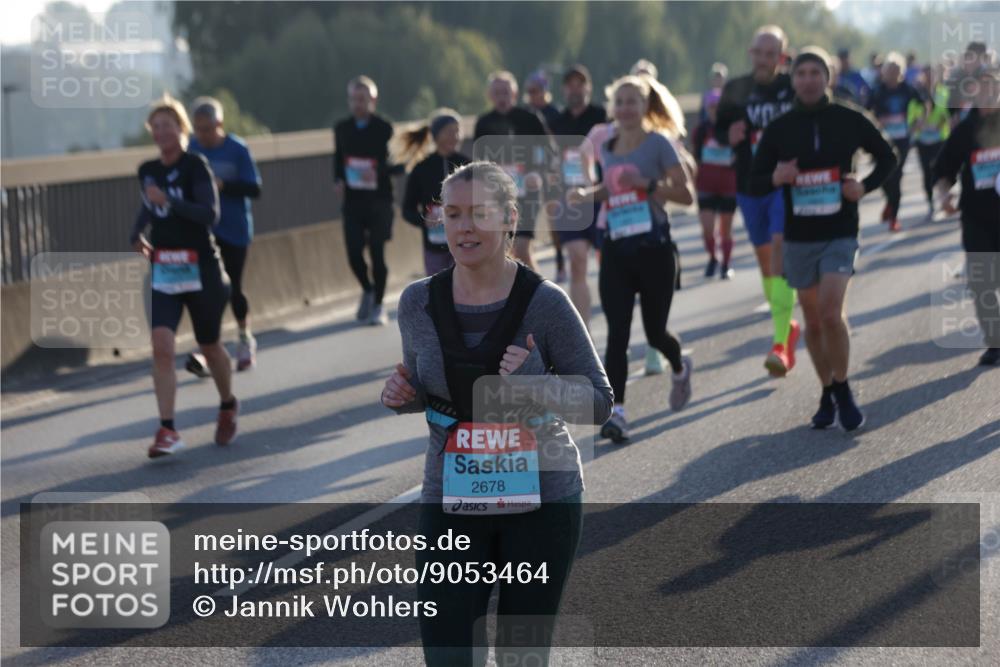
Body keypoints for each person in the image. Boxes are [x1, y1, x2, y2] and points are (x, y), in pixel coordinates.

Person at [381, 161, 613, 666]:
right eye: (453, 214)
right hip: (450, 498)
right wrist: (405, 394)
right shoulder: (417, 302)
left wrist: (538, 382)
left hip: (542, 501)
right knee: (447, 655)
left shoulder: (546, 303)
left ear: (510, 218)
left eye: (479, 214)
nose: (464, 227)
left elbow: (599, 402)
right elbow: (431, 391)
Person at [751, 47, 898, 431]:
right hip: (799, 236)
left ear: (827, 77)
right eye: (802, 74)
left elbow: (887, 156)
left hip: (840, 231)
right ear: (793, 79)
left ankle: (844, 387)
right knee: (813, 322)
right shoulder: (780, 128)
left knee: (832, 312)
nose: (809, 80)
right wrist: (774, 177)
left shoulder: (848, 119)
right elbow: (752, 178)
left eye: (816, 73)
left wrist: (863, 186)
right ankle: (827, 390)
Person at [568, 75, 695, 442]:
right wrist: (585, 195)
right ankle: (617, 412)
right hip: (617, 249)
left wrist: (649, 185)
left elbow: (686, 194)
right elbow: (611, 188)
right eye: (619, 102)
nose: (624, 109)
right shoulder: (606, 146)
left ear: (645, 107)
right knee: (617, 335)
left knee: (655, 333)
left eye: (632, 102)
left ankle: (679, 362)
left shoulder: (659, 144)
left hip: (655, 250)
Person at [129, 94, 238, 457]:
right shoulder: (148, 170)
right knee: (162, 346)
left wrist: (170, 202)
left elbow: (210, 214)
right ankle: (168, 429)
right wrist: (137, 234)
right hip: (165, 267)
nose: (161, 132)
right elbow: (149, 207)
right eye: (156, 126)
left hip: (202, 268)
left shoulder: (196, 166)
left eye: (168, 125)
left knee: (209, 345)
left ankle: (226, 403)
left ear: (181, 129)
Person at [716, 24, 801, 378]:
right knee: (766, 262)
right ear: (751, 54)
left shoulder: (792, 86)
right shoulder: (736, 89)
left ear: (782, 57)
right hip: (750, 185)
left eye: (772, 54)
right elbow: (718, 130)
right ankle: (789, 327)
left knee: (779, 254)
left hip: (784, 184)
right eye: (759, 53)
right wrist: (727, 134)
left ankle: (780, 343)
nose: (764, 60)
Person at [187, 96, 262, 373]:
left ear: (219, 124)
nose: (202, 135)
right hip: (205, 231)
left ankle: (244, 338)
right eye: (198, 129)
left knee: (233, 288)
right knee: (205, 291)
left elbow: (255, 189)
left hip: (235, 230)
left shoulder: (237, 149)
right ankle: (208, 348)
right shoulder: (192, 150)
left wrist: (223, 185)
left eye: (207, 128)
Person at [933, 66, 1000, 366]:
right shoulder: (964, 129)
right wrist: (945, 193)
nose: (988, 91)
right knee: (981, 280)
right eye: (982, 85)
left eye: (993, 85)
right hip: (976, 216)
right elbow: (944, 169)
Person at [547, 64, 608, 329]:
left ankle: (618, 322)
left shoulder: (602, 116)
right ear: (564, 89)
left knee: (609, 265)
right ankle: (584, 334)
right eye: (570, 84)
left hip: (601, 197)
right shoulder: (556, 123)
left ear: (589, 86)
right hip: (570, 199)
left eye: (580, 83)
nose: (575, 88)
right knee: (577, 260)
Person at [333, 75, 396, 326]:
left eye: (363, 99)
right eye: (354, 99)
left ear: (373, 100)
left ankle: (379, 305)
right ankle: (367, 288)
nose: (358, 104)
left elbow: (396, 163)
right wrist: (337, 179)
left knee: (377, 253)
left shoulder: (385, 128)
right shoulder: (342, 128)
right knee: (353, 252)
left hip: (379, 199)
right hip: (353, 201)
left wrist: (378, 170)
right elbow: (338, 158)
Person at [474, 71, 551, 272]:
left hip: (528, 191)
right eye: (497, 92)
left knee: (522, 247)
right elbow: (479, 162)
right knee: (505, 252)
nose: (502, 97)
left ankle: (541, 296)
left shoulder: (530, 118)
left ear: (515, 94)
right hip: (498, 194)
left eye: (506, 92)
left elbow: (547, 151)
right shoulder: (484, 124)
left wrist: (539, 174)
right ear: (490, 96)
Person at [400, 109, 471, 276]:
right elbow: (407, 209)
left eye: (457, 131)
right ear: (436, 135)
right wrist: (424, 220)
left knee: (466, 289)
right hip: (435, 246)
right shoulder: (421, 168)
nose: (455, 136)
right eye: (449, 132)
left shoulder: (467, 164)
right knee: (438, 293)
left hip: (466, 242)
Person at [868, 51, 922, 232]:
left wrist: (916, 124)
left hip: (902, 140)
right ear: (884, 72)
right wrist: (876, 122)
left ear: (902, 72)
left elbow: (924, 105)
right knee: (883, 176)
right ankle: (889, 203)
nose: (892, 74)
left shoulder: (908, 89)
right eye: (889, 70)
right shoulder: (877, 90)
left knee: (896, 176)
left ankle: (894, 217)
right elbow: (866, 112)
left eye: (896, 70)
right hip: (882, 140)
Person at [692, 88, 737, 279]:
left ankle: (726, 264)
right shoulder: (701, 131)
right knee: (707, 229)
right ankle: (713, 257)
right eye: (711, 106)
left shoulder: (733, 129)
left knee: (725, 229)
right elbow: (695, 157)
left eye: (718, 107)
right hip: (706, 185)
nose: (715, 110)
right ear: (707, 108)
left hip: (728, 185)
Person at [911, 65, 951, 218]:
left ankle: (944, 198)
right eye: (926, 75)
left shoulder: (943, 92)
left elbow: (948, 113)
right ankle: (930, 202)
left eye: (932, 74)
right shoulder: (917, 94)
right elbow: (912, 116)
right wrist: (920, 121)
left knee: (942, 170)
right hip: (923, 139)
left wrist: (942, 122)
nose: (929, 78)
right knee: (926, 172)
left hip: (940, 138)